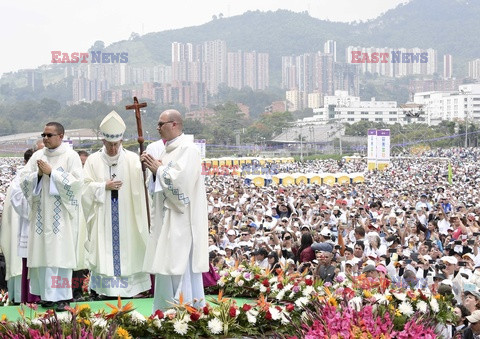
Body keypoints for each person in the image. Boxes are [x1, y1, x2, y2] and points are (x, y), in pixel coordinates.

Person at [141, 109, 209, 311]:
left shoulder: (189, 150)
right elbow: (155, 185)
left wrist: (159, 170)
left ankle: (186, 310)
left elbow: (183, 186)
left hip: (181, 220)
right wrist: (153, 173)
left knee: (180, 266)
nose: (158, 128)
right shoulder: (165, 151)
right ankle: (163, 310)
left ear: (174, 125)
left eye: (161, 124)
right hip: (166, 219)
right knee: (165, 265)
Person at [82, 111, 151, 298]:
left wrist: (146, 169)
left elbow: (144, 185)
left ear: (121, 142)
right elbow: (84, 187)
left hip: (127, 215)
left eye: (116, 144)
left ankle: (131, 289)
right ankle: (106, 290)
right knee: (104, 250)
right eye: (109, 144)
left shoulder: (132, 159)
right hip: (103, 215)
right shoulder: (93, 160)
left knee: (130, 248)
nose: (113, 148)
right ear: (103, 141)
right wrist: (104, 186)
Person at [20, 122, 83, 311]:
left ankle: (62, 297)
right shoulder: (38, 156)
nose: (45, 138)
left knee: (59, 256)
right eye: (44, 135)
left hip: (61, 217)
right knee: (43, 256)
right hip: (40, 215)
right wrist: (38, 175)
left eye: (49, 135)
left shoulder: (71, 156)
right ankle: (46, 296)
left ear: (61, 136)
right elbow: (23, 179)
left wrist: (52, 173)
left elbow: (77, 184)